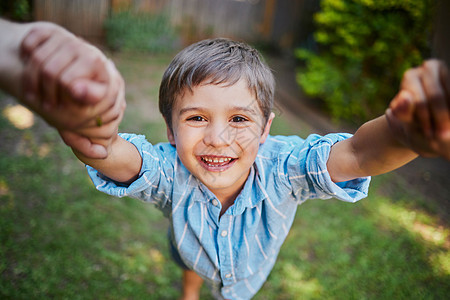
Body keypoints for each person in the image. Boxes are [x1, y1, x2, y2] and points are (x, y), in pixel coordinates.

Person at [1, 19, 449, 300]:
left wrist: (403, 132)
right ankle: (191, 290)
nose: (218, 137)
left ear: (268, 127)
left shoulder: (285, 170)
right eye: (196, 117)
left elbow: (357, 152)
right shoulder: (168, 171)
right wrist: (88, 125)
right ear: (171, 130)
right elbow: (110, 154)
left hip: (251, 273)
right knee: (188, 266)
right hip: (189, 247)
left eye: (239, 117)